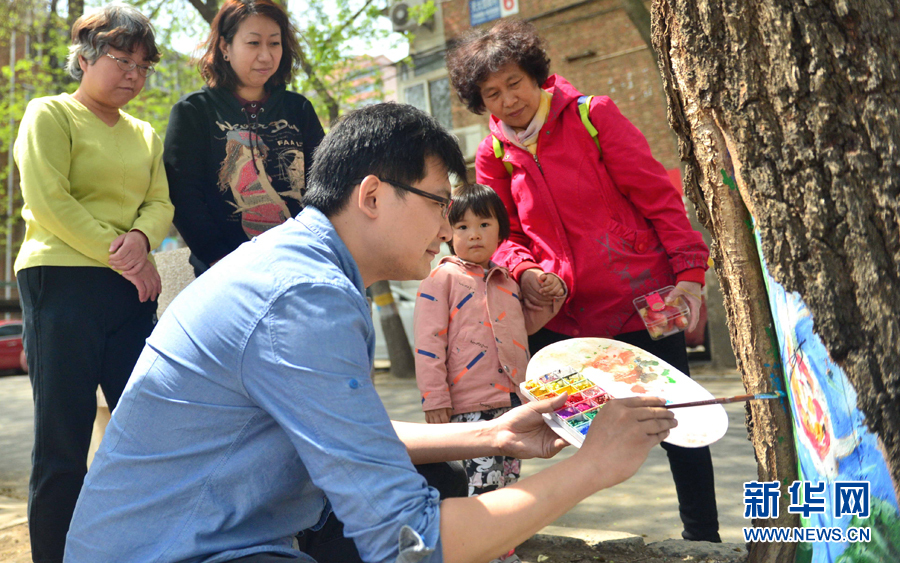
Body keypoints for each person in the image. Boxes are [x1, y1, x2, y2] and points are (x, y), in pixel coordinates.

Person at [63, 103, 676, 563]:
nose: (449, 224)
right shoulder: (303, 297)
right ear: (374, 196)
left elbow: (346, 434)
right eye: (439, 202)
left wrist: (494, 435)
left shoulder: (300, 266)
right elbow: (410, 542)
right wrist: (593, 467)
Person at [446, 19, 721, 542]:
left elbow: (657, 197)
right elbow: (504, 233)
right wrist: (527, 272)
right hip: (563, 315)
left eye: (514, 84)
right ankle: (508, 531)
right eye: (492, 94)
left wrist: (689, 271)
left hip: (644, 300)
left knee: (678, 424)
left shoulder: (594, 117)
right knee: (544, 420)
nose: (508, 100)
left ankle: (703, 536)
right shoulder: (494, 154)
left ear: (536, 76)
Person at [12, 4, 174, 561]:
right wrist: (124, 252)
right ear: (83, 59)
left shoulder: (146, 134)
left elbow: (160, 202)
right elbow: (48, 200)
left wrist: (143, 239)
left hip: (130, 290)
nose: (132, 72)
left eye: (143, 64)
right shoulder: (49, 114)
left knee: (145, 431)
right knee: (64, 439)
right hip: (61, 281)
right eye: (120, 58)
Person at [414, 183, 566, 563]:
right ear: (447, 234)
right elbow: (428, 342)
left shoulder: (506, 280)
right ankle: (478, 553)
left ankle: (500, 550)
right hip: (468, 408)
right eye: (462, 226)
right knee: (479, 487)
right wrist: (435, 398)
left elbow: (523, 326)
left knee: (507, 485)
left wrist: (555, 295)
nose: (474, 234)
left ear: (501, 231)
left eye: (484, 224)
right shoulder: (440, 280)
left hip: (512, 401)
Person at [164, 0, 324, 276]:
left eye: (274, 43)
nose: (266, 55)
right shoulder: (193, 112)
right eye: (253, 43)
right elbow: (184, 196)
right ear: (225, 48)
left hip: (299, 265)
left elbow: (324, 185)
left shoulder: (298, 109)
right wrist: (219, 260)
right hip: (224, 272)